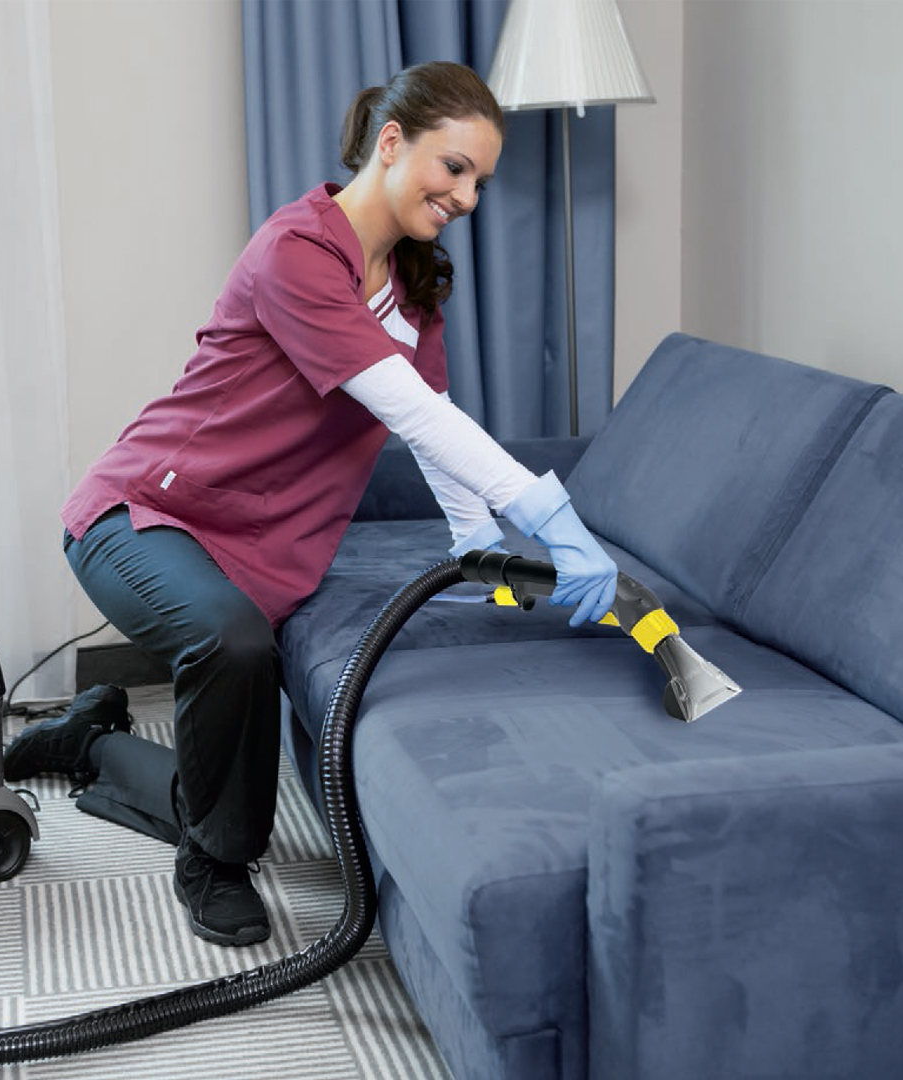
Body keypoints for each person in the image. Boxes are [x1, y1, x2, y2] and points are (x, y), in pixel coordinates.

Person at [55, 61, 617, 948]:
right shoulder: (298, 253)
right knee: (234, 645)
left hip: (263, 542)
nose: (467, 197)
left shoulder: (412, 286)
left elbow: (433, 423)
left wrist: (479, 541)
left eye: (481, 180)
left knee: (229, 704)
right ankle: (214, 862)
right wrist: (553, 515)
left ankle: (86, 742)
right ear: (392, 143)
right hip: (145, 513)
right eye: (455, 168)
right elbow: (406, 408)